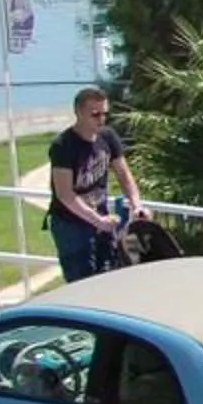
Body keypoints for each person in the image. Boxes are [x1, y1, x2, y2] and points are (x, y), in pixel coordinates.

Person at [45, 87, 145, 282]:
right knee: (81, 281)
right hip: (70, 224)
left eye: (104, 114)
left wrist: (136, 204)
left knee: (107, 274)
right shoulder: (63, 146)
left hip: (100, 219)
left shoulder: (107, 137)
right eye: (95, 114)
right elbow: (65, 194)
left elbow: (124, 174)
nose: (101, 119)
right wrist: (97, 220)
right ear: (78, 112)